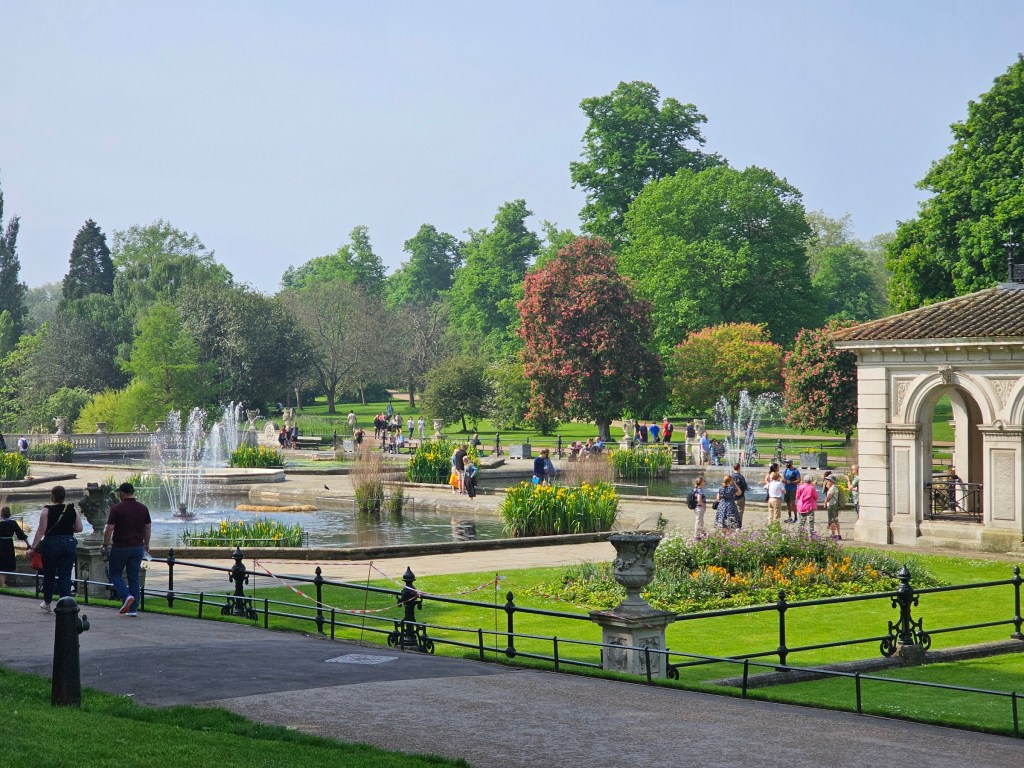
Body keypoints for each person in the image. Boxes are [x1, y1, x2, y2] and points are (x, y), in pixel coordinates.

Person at [27, 486, 82, 612]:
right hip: (68, 543)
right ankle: (65, 602)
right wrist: (67, 529)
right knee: (65, 575)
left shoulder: (47, 510)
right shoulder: (72, 509)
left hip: (51, 544)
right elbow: (79, 529)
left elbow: (41, 531)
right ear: (64, 497)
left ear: (52, 496)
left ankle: (47, 602)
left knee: (49, 574)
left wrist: (33, 548)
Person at [103, 482, 152, 617]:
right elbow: (148, 528)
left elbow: (109, 528)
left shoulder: (117, 508)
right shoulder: (143, 508)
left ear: (122, 493)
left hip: (121, 546)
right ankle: (133, 609)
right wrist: (146, 544)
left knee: (115, 573)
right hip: (137, 547)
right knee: (134, 577)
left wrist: (105, 544)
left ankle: (126, 596)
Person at [0, 506, 29, 587]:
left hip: (1, 543)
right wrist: (28, 544)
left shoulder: (0, 524)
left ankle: (2, 583)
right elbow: (21, 535)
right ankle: (2, 583)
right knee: (6, 564)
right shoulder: (13, 523)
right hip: (9, 544)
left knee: (1, 563)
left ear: (2, 514)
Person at [783, 459, 801, 523]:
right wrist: (783, 481)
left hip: (792, 489)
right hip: (786, 489)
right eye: (786, 463)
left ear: (791, 463)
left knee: (793, 503)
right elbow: (784, 478)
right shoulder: (785, 470)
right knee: (788, 503)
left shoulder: (795, 471)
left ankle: (796, 518)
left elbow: (798, 480)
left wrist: (791, 482)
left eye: (788, 463)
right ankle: (790, 517)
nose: (786, 464)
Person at [730, 463, 748, 527]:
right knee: (740, 513)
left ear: (733, 468)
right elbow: (745, 487)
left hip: (731, 498)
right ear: (739, 468)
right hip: (740, 497)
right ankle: (738, 528)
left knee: (732, 513)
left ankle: (732, 526)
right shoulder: (741, 477)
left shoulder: (730, 477)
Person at [824, 475, 842, 540]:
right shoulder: (836, 487)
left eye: (828, 480)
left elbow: (829, 497)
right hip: (835, 505)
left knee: (832, 521)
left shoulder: (833, 488)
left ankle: (833, 534)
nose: (827, 481)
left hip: (831, 505)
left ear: (831, 481)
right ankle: (839, 534)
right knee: (836, 520)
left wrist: (825, 502)